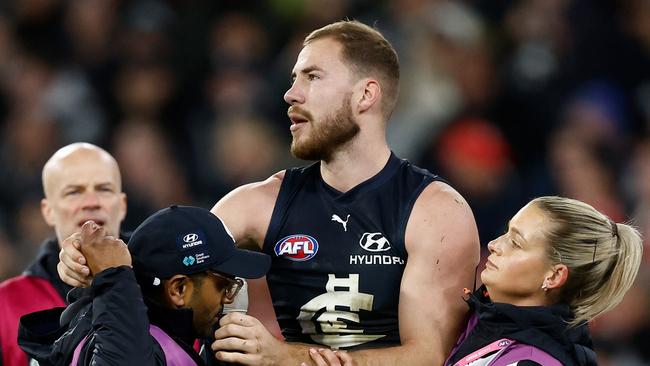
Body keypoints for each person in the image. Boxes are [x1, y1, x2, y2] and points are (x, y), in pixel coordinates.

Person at [58, 20, 480, 365]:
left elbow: (429, 356)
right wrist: (96, 262)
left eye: (312, 77)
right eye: (295, 78)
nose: (290, 94)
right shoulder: (258, 203)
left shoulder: (434, 211)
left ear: (366, 94)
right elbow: (169, 259)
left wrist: (285, 357)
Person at [308, 196, 643, 366]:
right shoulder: (482, 320)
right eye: (505, 232)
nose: (495, 245)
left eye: (516, 242)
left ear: (554, 276)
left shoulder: (533, 362)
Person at [19, 205, 271, 365]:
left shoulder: (156, 337)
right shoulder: (124, 344)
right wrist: (112, 277)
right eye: (224, 285)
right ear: (178, 290)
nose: (230, 299)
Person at [0, 142, 127, 366]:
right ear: (48, 211)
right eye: (73, 192)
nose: (91, 202)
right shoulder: (6, 305)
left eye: (104, 189)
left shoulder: (164, 286)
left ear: (122, 204)